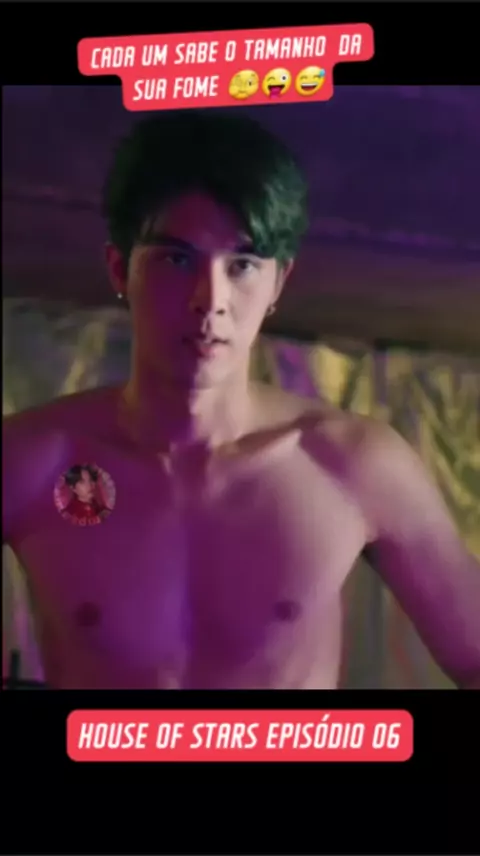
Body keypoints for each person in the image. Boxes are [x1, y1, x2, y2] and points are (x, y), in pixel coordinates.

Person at [2, 111, 480, 690]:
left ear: (278, 283)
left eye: (243, 265)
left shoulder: (351, 465)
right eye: (177, 259)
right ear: (120, 269)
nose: (211, 300)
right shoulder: (30, 461)